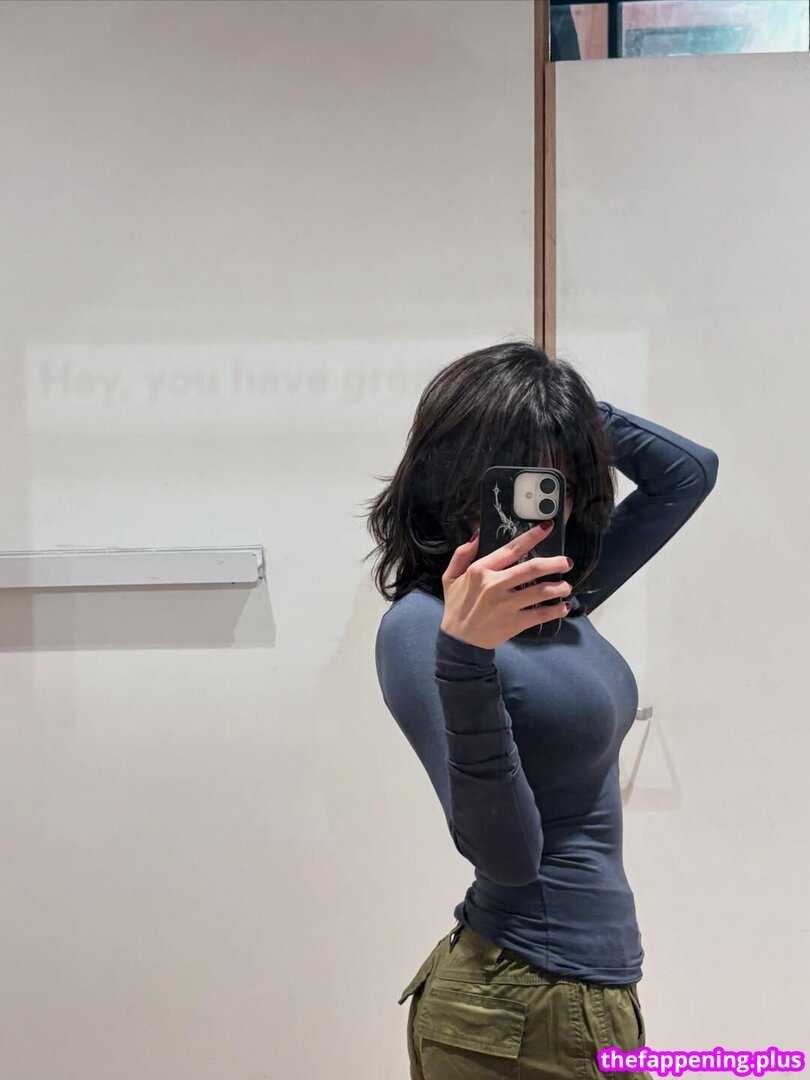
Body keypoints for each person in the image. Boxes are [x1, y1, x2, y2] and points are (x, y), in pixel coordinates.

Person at [365, 339, 719, 1079]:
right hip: (514, 1007)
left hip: (579, 999)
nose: (535, 497)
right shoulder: (422, 629)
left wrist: (562, 407)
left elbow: (687, 473)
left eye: (556, 479)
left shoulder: (559, 598)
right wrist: (466, 655)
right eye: (511, 474)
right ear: (450, 475)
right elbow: (507, 857)